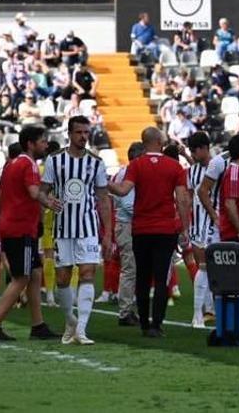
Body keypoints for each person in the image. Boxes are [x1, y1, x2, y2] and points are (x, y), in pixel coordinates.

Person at [106, 127, 192, 338]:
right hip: (164, 229)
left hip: (141, 229)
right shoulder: (174, 167)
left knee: (142, 277)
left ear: (144, 142)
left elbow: (123, 190)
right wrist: (185, 227)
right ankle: (157, 324)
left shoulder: (136, 165)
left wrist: (104, 182)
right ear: (160, 141)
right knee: (161, 278)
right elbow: (182, 199)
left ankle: (144, 323)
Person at [0, 126, 61, 342]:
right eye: (42, 141)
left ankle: (38, 325)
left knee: (35, 274)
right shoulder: (29, 165)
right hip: (20, 228)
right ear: (30, 144)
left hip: (11, 226)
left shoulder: (11, 164)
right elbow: (35, 193)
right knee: (22, 277)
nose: (45, 145)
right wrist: (51, 203)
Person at [43, 116, 113, 345]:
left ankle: (82, 330)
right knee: (62, 278)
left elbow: (103, 199)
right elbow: (42, 191)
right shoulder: (54, 160)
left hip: (88, 227)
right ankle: (70, 320)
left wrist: (108, 233)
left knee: (88, 274)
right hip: (63, 228)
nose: (84, 136)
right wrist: (48, 201)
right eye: (79, 132)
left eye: (86, 132)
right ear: (70, 134)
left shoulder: (96, 162)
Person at [188, 132, 227, 329]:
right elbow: (187, 198)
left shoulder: (220, 166)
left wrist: (216, 216)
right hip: (198, 226)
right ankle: (199, 313)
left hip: (216, 225)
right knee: (203, 267)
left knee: (217, 269)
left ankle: (210, 311)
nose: (192, 155)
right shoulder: (191, 171)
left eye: (194, 151)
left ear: (204, 148)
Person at [109, 142, 145, 326]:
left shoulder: (124, 172)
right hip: (128, 224)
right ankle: (125, 311)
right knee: (130, 268)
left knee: (132, 268)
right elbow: (128, 203)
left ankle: (129, 306)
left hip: (128, 223)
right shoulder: (129, 174)